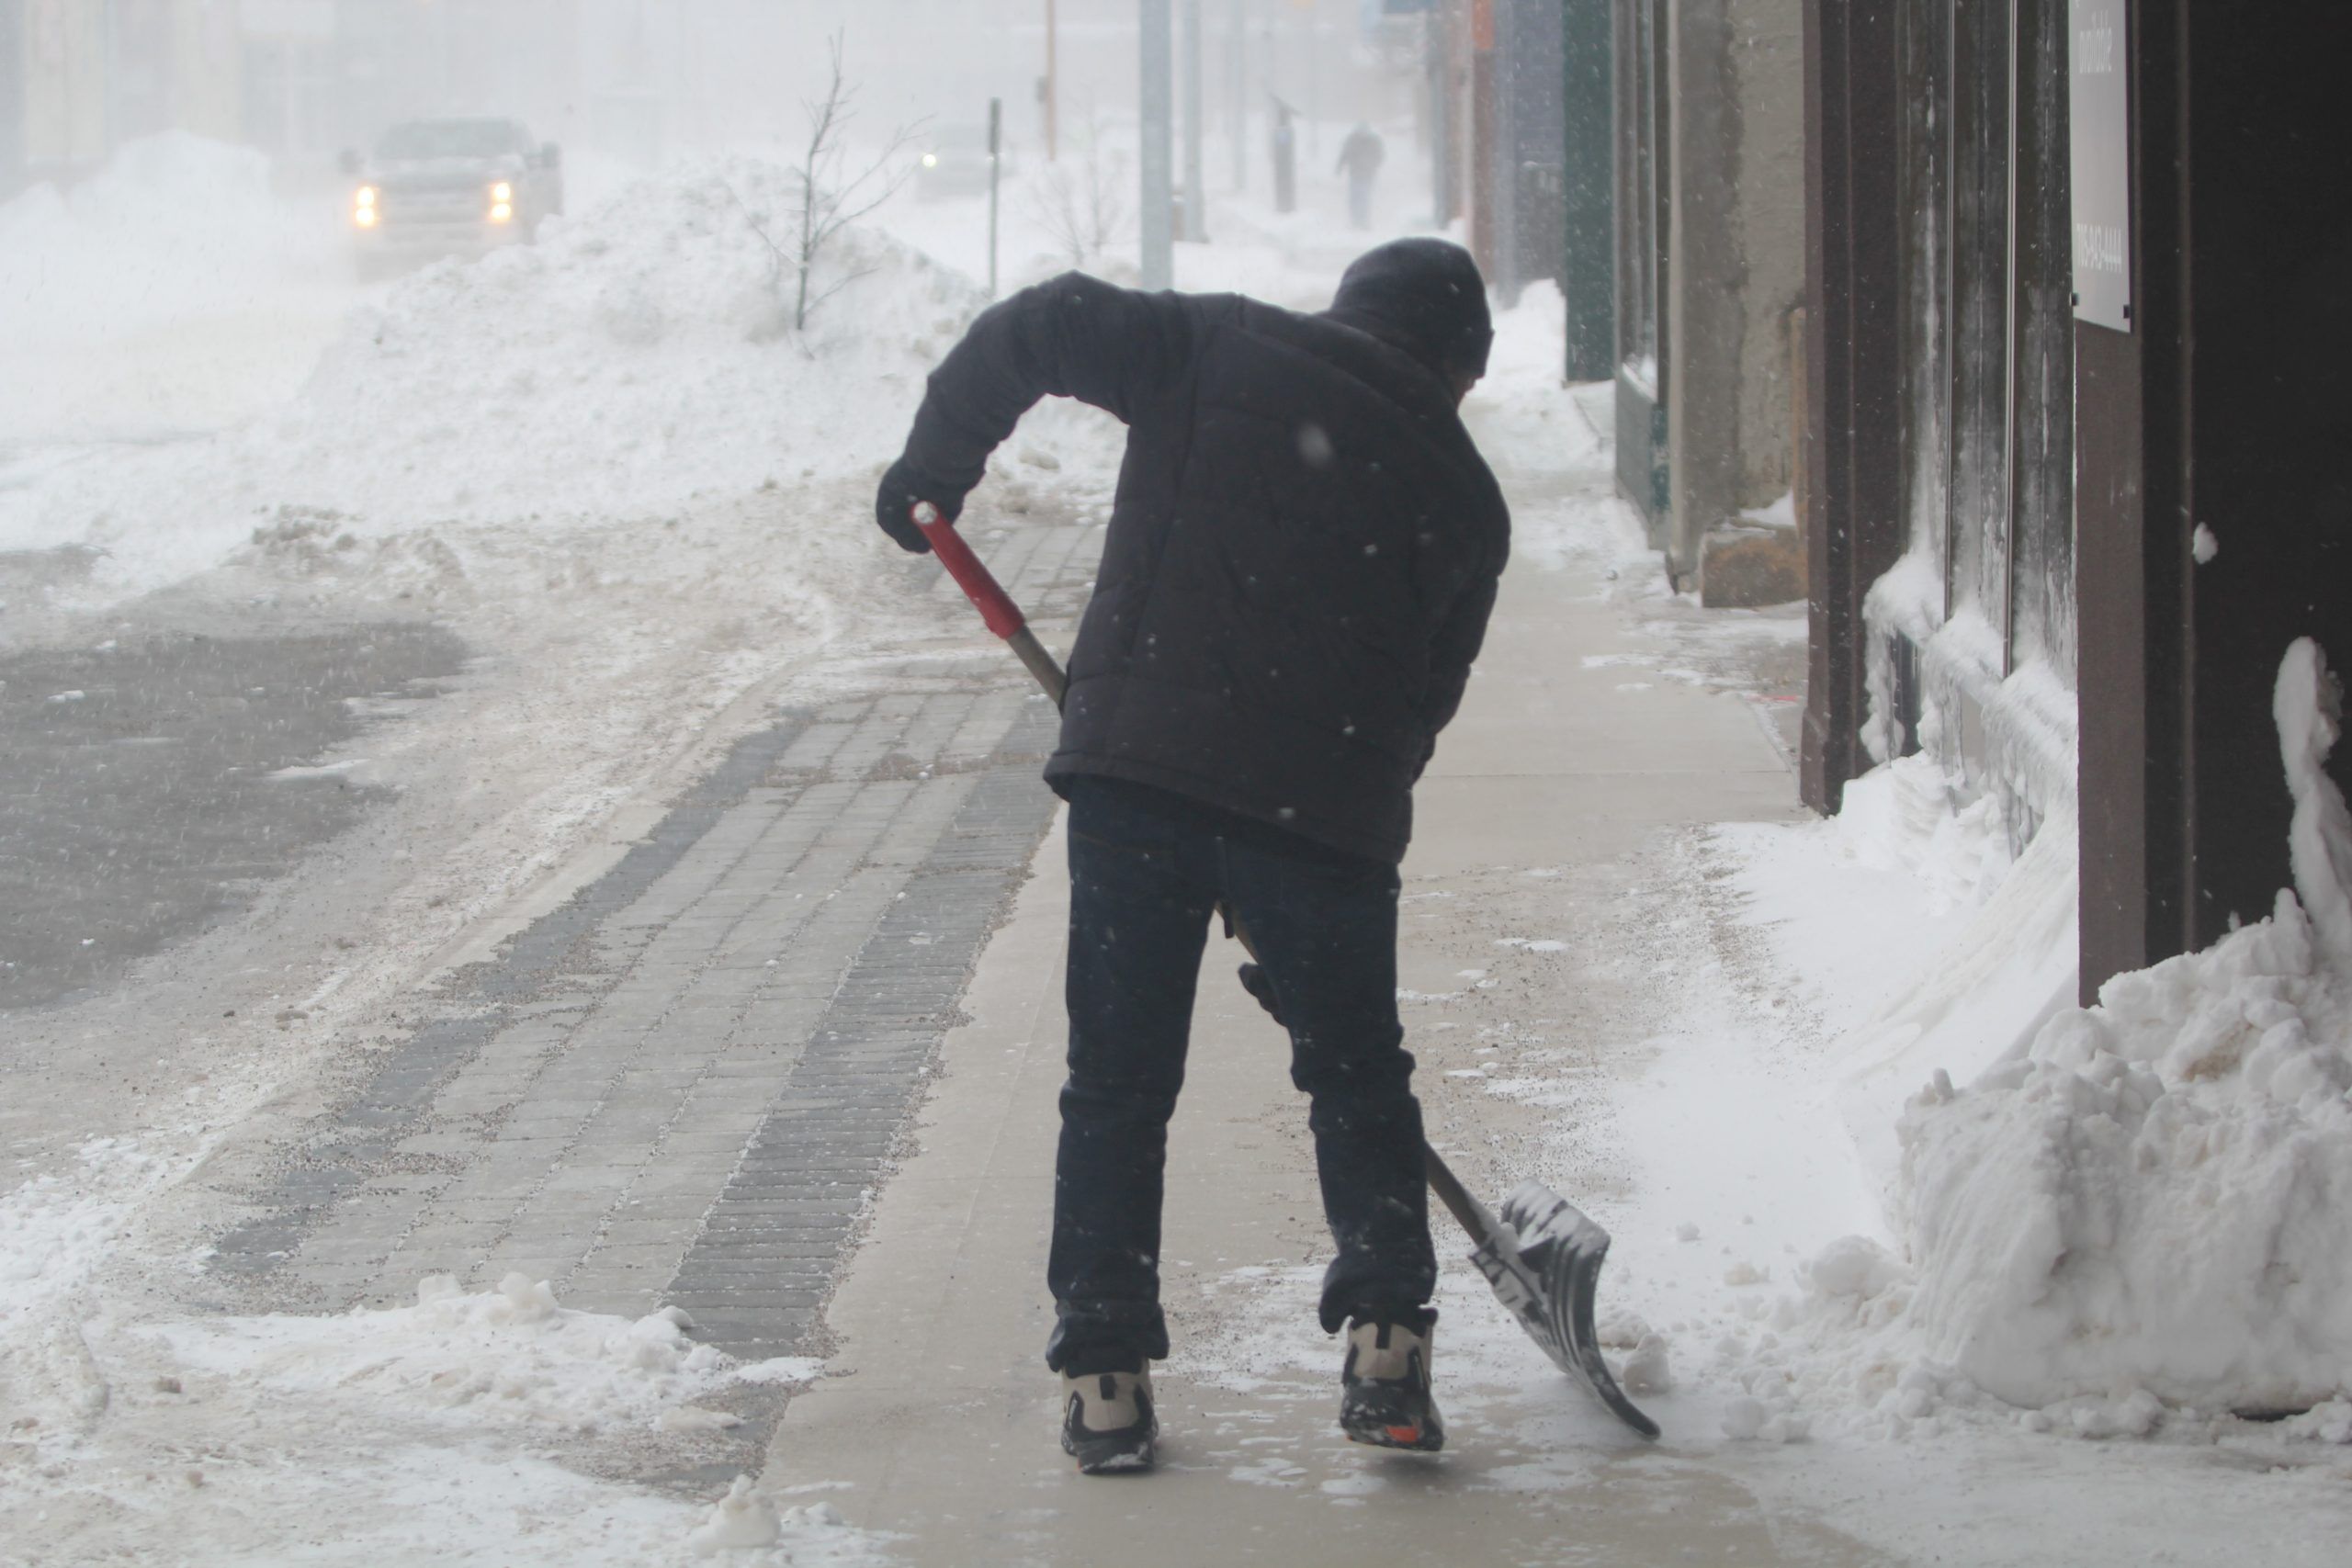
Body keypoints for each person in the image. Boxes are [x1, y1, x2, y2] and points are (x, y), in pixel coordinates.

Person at [873, 239, 1508, 1474]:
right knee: (1357, 1079)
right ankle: (1389, 1343)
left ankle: (1106, 1371)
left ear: (1354, 306)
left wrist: (933, 465)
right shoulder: (1467, 497)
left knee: (1117, 1080)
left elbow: (1044, 321)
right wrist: (1319, 878)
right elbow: (1421, 708)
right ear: (1456, 366)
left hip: (1139, 783)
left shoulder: (1219, 344)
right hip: (1321, 812)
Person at [1337, 122, 1385, 230]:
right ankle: (1357, 220)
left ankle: (1361, 220)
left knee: (1362, 197)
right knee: (1358, 197)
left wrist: (1373, 164)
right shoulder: (1355, 140)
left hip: (1364, 174)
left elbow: (1379, 156)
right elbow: (1345, 154)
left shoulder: (1356, 140)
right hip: (1359, 174)